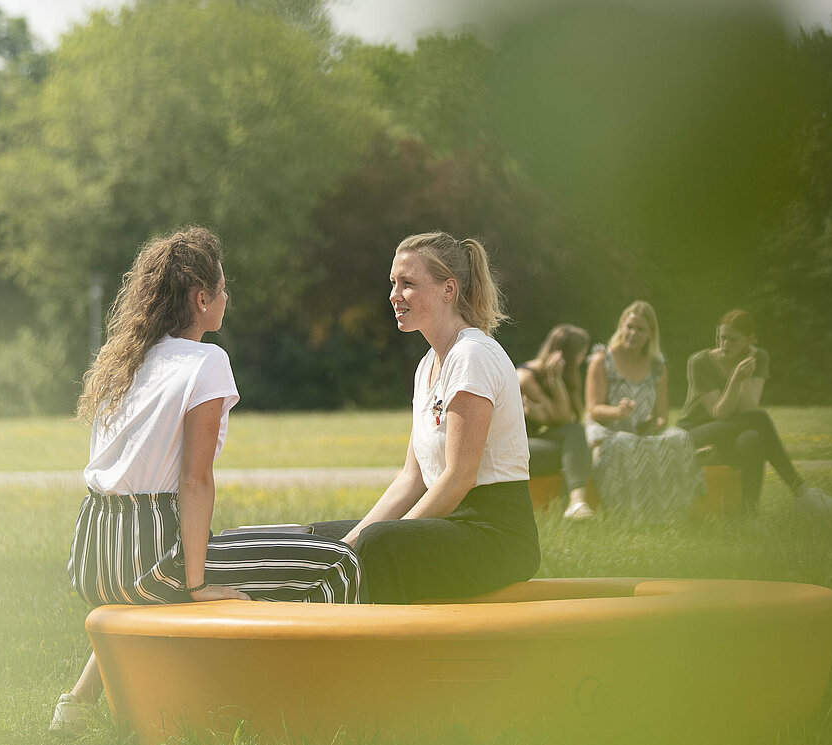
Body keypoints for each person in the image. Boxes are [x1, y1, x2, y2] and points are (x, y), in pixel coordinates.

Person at [49, 227, 360, 735]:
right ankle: (315, 716)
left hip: (94, 557)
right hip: (154, 556)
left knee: (300, 537)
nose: (227, 297)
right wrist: (197, 585)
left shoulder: (123, 361)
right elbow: (195, 482)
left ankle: (75, 707)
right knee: (335, 562)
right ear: (201, 299)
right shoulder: (206, 362)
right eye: (222, 287)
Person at [310, 232, 539, 604]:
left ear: (449, 289)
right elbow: (411, 479)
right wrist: (346, 545)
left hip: (496, 534)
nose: (394, 295)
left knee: (379, 544)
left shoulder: (472, 356)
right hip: (448, 523)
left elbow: (459, 476)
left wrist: (366, 543)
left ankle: (375, 651)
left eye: (408, 284)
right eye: (393, 284)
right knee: (321, 537)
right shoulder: (427, 365)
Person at [679, 310, 832, 513]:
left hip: (733, 430)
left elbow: (747, 409)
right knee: (760, 419)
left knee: (752, 438)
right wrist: (736, 378)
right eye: (721, 337)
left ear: (749, 340)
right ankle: (802, 492)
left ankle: (749, 515)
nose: (724, 344)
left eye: (732, 340)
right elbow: (718, 413)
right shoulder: (700, 361)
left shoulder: (759, 357)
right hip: (694, 433)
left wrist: (746, 366)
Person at [583, 301, 702, 521]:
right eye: (629, 326)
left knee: (680, 438)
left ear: (650, 334)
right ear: (621, 327)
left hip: (642, 431)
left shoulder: (658, 366)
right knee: (625, 444)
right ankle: (628, 514)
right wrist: (618, 413)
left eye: (640, 329)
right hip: (608, 429)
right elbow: (593, 409)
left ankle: (674, 511)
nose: (633, 333)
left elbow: (662, 415)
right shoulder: (602, 360)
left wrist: (653, 424)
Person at [518, 324, 594, 519]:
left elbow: (570, 419)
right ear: (569, 356)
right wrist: (556, 382)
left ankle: (577, 503)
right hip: (512, 451)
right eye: (580, 354)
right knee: (575, 448)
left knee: (575, 432)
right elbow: (562, 417)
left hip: (533, 441)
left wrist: (558, 382)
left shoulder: (562, 374)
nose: (582, 360)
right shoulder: (525, 378)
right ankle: (576, 502)